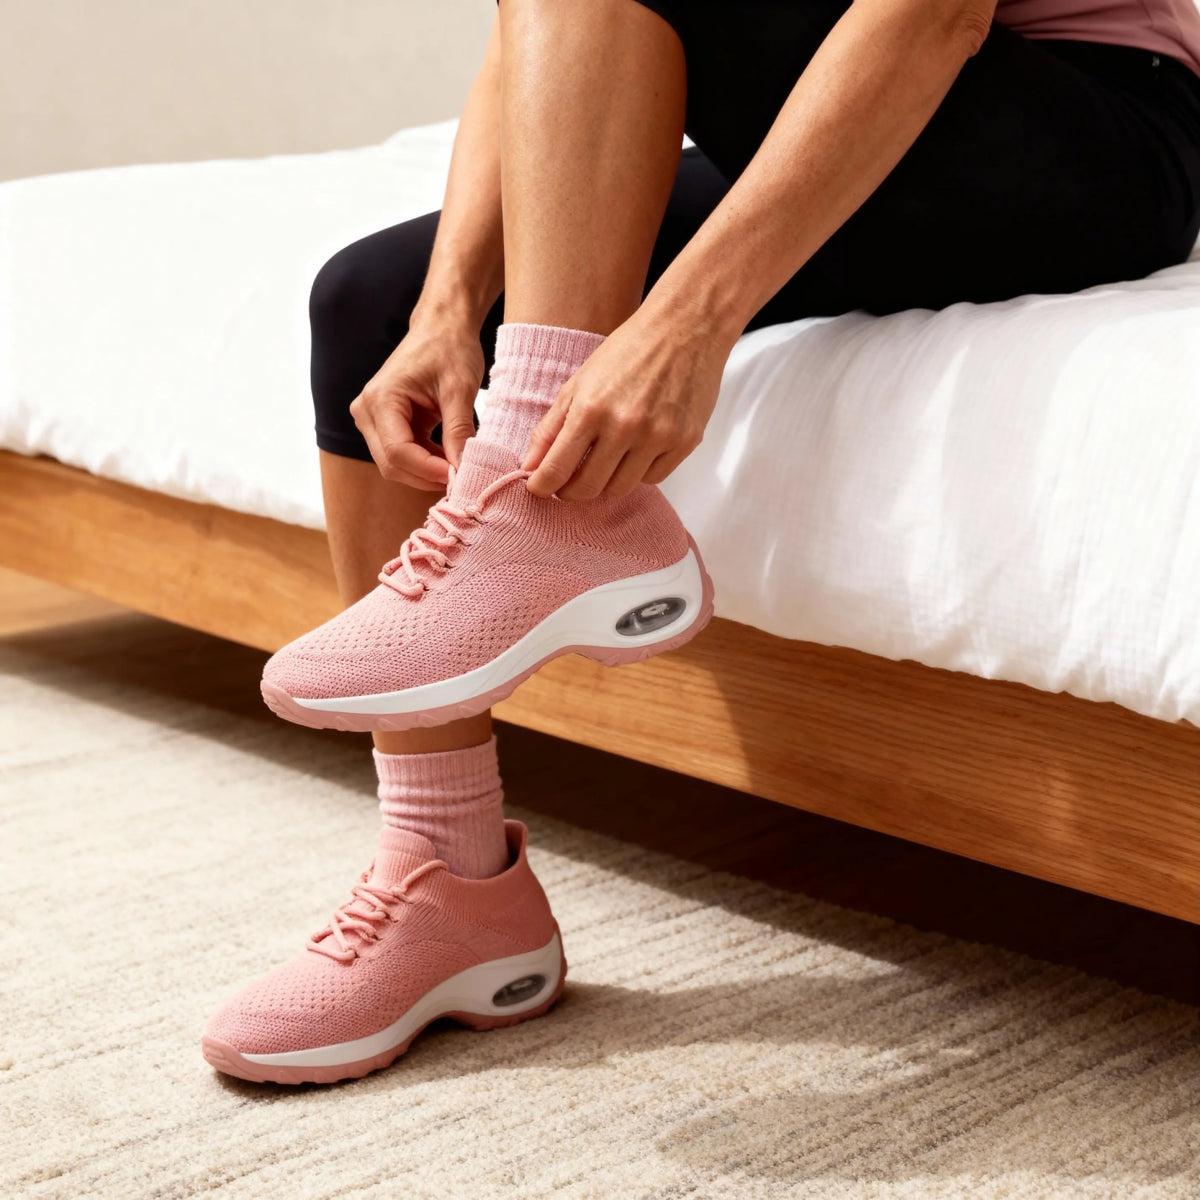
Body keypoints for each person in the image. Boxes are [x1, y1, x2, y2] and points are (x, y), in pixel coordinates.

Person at [201, 0, 1200, 1083]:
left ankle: (549, 513)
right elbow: (534, 31)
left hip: (1086, 138)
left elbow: (933, 18)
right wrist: (447, 307)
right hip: (859, 121)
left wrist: (687, 327)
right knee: (370, 304)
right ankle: (451, 884)